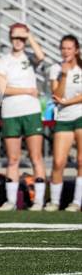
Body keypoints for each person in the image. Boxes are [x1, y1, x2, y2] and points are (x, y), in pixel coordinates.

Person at [0, 23, 46, 211]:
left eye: (21, 38)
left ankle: (39, 201)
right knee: (13, 158)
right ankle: (10, 201)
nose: (18, 41)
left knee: (36, 157)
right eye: (15, 37)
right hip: (11, 112)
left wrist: (29, 36)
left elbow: (41, 56)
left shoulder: (30, 57)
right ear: (10, 38)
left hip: (31, 112)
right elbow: (3, 89)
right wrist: (27, 90)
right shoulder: (3, 60)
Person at [45, 35, 82, 212]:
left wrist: (70, 102)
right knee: (59, 162)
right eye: (63, 48)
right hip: (64, 118)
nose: (66, 52)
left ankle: (77, 202)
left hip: (80, 115)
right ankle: (54, 201)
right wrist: (65, 74)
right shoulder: (56, 68)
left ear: (76, 50)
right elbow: (56, 94)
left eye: (69, 48)